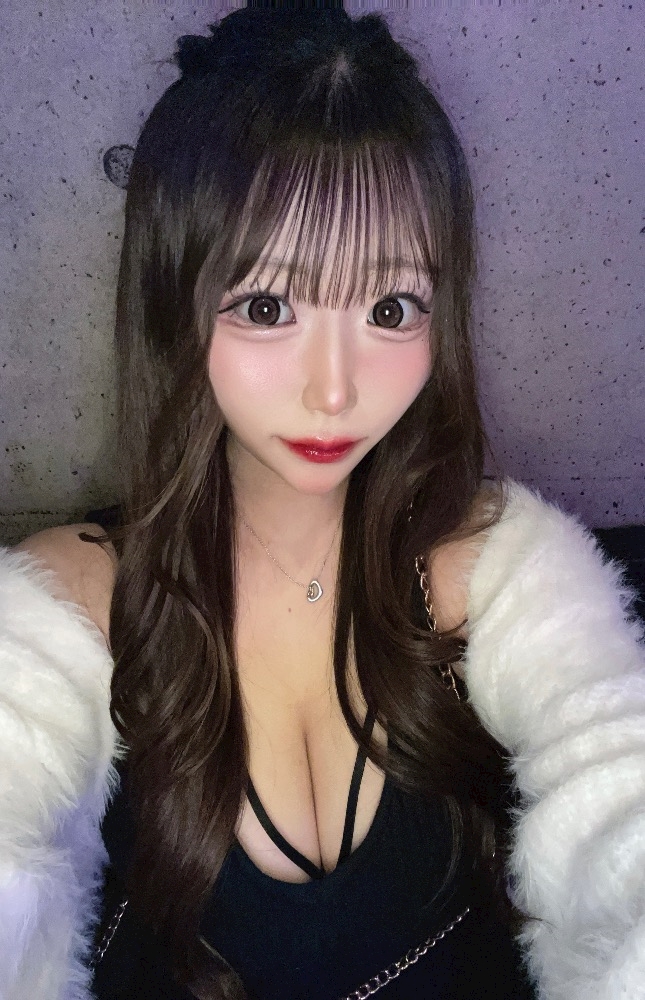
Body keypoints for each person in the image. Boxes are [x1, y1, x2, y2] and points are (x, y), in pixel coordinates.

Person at [1, 4, 644, 999]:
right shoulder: (72, 609)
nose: (335, 390)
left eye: (390, 308)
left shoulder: (494, 573)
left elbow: (618, 795)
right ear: (176, 299)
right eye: (267, 306)